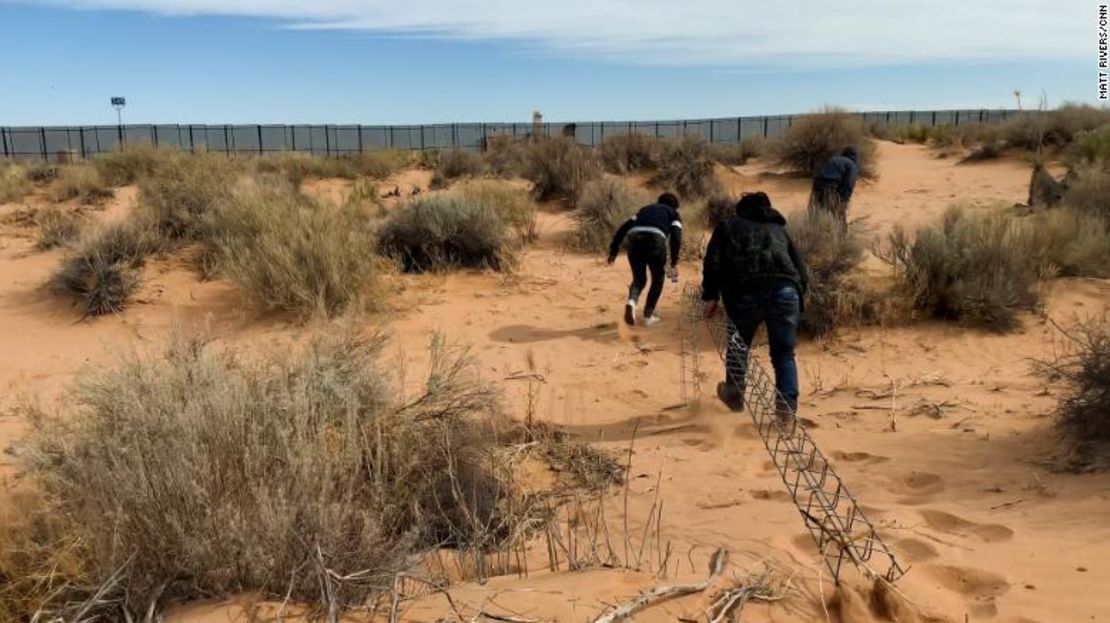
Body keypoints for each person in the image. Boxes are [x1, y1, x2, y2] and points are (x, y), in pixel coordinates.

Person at [701, 191, 807, 428]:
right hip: (786, 291)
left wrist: (710, 295)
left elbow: (713, 261)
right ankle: (786, 413)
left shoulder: (728, 227)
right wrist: (799, 297)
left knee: (739, 346)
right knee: (784, 354)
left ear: (741, 210)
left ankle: (735, 395)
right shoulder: (781, 231)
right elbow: (801, 268)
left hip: (745, 291)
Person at [608, 192, 683, 327]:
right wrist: (674, 261)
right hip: (655, 240)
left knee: (639, 279)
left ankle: (631, 302)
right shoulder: (673, 213)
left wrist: (613, 250)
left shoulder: (645, 209)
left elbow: (624, 227)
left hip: (634, 239)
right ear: (675, 206)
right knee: (657, 279)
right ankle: (648, 315)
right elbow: (676, 238)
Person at [809, 146, 860, 229]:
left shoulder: (833, 159)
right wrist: (844, 198)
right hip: (830, 185)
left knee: (816, 210)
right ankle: (841, 236)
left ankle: (812, 230)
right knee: (837, 213)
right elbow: (849, 183)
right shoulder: (851, 165)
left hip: (817, 184)